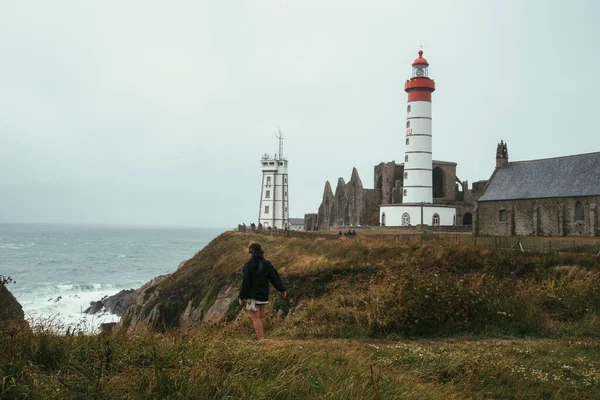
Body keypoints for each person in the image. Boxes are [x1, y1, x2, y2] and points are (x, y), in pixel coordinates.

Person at [238, 243, 286, 340]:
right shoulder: (267, 263)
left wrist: (241, 296)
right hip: (263, 294)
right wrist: (282, 289)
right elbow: (274, 278)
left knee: (256, 319)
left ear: (251, 252)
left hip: (253, 296)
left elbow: (246, 282)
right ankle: (262, 337)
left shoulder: (248, 265)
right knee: (261, 317)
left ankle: (261, 339)